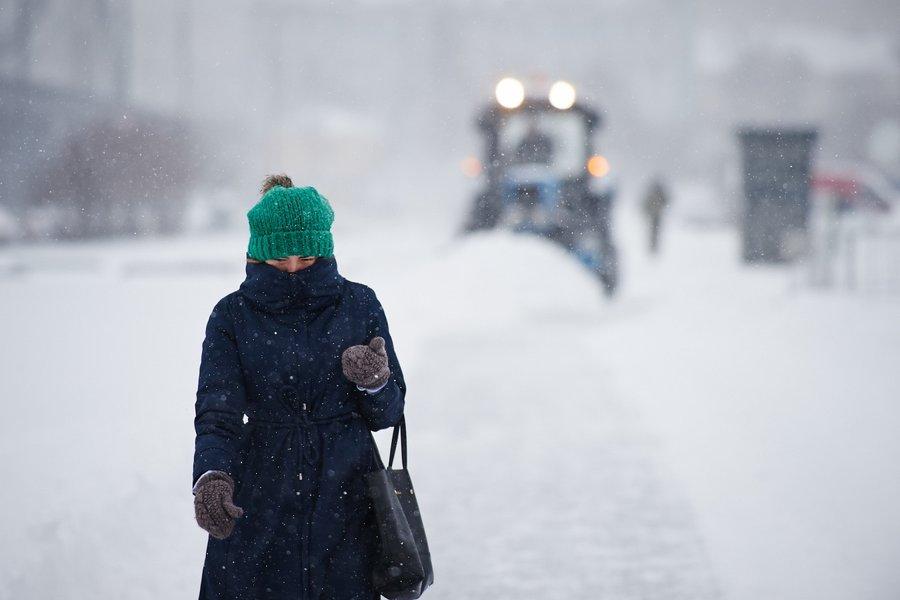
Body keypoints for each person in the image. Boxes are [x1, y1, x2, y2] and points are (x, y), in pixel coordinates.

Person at [192, 174, 407, 599]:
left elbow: (389, 413)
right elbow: (218, 412)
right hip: (262, 492)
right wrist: (212, 474)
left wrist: (374, 383)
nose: (293, 269)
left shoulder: (359, 304)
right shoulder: (232, 317)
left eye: (306, 259)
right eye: (280, 260)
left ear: (324, 250)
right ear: (257, 255)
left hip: (346, 492)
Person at [642, 176, 669, 255]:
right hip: (654, 214)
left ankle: (653, 246)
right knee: (653, 231)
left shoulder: (656, 193)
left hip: (656, 214)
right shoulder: (657, 193)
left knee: (654, 231)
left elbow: (666, 201)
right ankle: (652, 246)